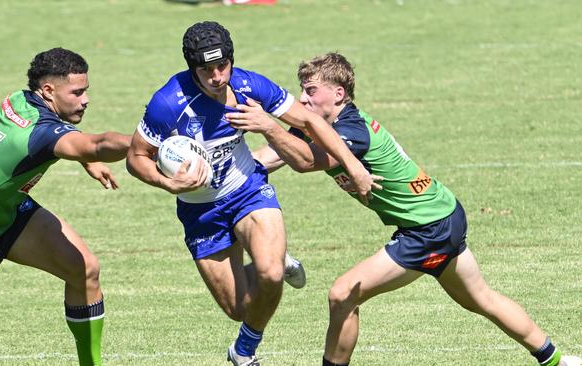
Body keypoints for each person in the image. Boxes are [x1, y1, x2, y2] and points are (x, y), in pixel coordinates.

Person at [226, 52, 581, 366]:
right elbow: (273, 158)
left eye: (311, 91)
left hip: (428, 228)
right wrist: (219, 171)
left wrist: (269, 126)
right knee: (482, 299)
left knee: (342, 294)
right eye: (301, 89)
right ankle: (556, 360)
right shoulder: (319, 126)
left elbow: (303, 161)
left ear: (339, 94)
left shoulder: (352, 131)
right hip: (443, 214)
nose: (301, 98)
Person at [126, 22, 380, 366]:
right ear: (192, 68)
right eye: (206, 70)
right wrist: (168, 183)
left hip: (247, 190)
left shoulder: (249, 84)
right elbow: (135, 158)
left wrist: (354, 166)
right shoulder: (168, 103)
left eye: (222, 65)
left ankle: (244, 350)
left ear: (231, 59)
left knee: (271, 274)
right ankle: (271, 260)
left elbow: (310, 122)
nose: (217, 76)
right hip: (201, 212)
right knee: (240, 308)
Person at [0, 47, 131, 366]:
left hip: (10, 212)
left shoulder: (20, 99)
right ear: (49, 90)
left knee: (85, 269)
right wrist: (146, 144)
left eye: (86, 91)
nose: (85, 99)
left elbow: (61, 137)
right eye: (77, 92)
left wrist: (86, 162)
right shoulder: (38, 134)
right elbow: (94, 143)